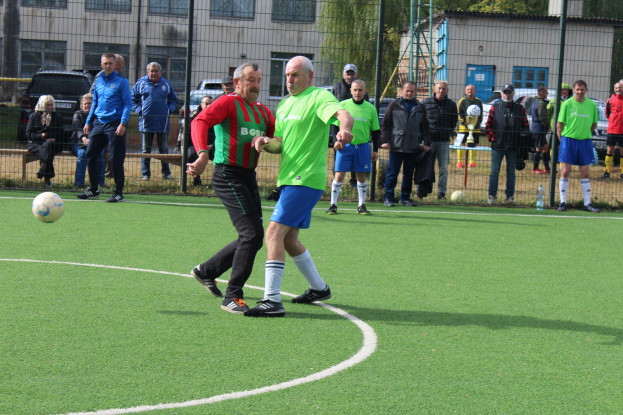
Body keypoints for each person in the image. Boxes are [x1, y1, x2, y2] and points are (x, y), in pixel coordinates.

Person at [245, 55, 354, 317]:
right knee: (289, 239)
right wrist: (264, 141)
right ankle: (319, 288)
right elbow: (280, 143)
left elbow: (342, 114)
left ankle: (272, 300)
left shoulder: (318, 97)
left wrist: (344, 129)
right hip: (289, 179)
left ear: (309, 76)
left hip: (305, 179)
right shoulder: (284, 105)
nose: (289, 80)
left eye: (295, 75)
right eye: (287, 75)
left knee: (273, 233)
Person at [187, 62, 275, 314]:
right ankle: (232, 295)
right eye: (250, 80)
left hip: (248, 176)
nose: (255, 85)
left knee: (253, 237)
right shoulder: (228, 102)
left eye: (258, 80)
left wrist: (267, 140)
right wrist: (203, 153)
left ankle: (207, 271)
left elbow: (277, 138)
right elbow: (199, 121)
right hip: (227, 174)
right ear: (237, 83)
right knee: (252, 234)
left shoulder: (263, 111)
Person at [77, 52, 132, 203]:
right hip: (99, 123)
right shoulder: (99, 80)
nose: (107, 66)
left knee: (115, 158)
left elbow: (128, 104)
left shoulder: (122, 82)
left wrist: (123, 123)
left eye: (110, 63)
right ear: (101, 65)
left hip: (115, 124)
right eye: (105, 63)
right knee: (90, 154)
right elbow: (94, 102)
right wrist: (88, 121)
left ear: (115, 65)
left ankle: (118, 192)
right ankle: (93, 189)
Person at [326, 79, 379, 215]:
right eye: (355, 90)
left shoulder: (371, 108)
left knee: (361, 176)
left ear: (365, 91)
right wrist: (336, 141)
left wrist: (376, 150)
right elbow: (334, 125)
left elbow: (375, 131)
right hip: (345, 145)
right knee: (339, 174)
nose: (357, 92)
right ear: (351, 91)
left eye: (360, 90)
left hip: (362, 146)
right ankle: (333, 205)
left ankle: (361, 205)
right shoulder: (343, 105)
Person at [380, 81, 431, 207]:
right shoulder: (394, 105)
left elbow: (425, 127)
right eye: (407, 91)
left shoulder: (420, 107)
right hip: (396, 146)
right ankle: (388, 198)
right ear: (402, 91)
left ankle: (405, 198)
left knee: (408, 175)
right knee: (392, 174)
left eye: (412, 91)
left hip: (413, 147)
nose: (409, 93)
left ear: (415, 92)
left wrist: (427, 143)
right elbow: (385, 124)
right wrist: (384, 141)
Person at [556, 80, 600, 213]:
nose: (579, 92)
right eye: (577, 89)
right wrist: (562, 140)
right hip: (568, 141)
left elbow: (594, 124)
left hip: (584, 141)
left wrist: (584, 133)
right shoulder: (567, 104)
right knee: (565, 171)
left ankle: (587, 203)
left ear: (586, 90)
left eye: (582, 89)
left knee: (585, 172)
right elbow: (559, 124)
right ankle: (563, 202)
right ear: (574, 90)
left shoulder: (591, 105)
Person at [132, 62, 179, 181]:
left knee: (164, 149)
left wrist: (169, 110)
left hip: (163, 123)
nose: (154, 73)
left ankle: (166, 174)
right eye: (151, 71)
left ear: (160, 72)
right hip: (146, 123)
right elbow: (132, 100)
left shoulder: (166, 84)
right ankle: (145, 175)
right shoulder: (140, 83)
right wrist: (139, 110)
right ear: (147, 72)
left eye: (156, 71)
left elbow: (174, 101)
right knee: (145, 150)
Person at [484, 84, 530, 204]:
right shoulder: (495, 108)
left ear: (513, 94)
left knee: (511, 173)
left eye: (509, 92)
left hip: (513, 147)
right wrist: (493, 139)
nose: (507, 94)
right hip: (497, 146)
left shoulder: (520, 109)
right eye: (505, 92)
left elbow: (525, 126)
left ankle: (510, 197)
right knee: (494, 172)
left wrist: (521, 140)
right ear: (501, 93)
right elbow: (488, 126)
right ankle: (492, 196)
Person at [330, 64, 368, 188]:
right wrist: (335, 139)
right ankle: (336, 182)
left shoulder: (361, 88)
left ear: (356, 75)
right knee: (339, 157)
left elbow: (366, 106)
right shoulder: (337, 87)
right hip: (339, 128)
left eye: (352, 74)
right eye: (348, 73)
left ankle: (354, 182)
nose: (350, 76)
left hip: (356, 129)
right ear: (343, 75)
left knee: (356, 158)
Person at [420, 80, 458, 199]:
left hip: (444, 141)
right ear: (435, 89)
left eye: (443, 89)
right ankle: (422, 190)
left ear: (447, 91)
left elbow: (453, 122)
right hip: (428, 142)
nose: (441, 91)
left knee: (443, 169)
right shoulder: (425, 103)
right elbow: (420, 120)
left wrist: (447, 132)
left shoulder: (452, 105)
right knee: (425, 166)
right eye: (439, 88)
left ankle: (441, 192)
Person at [25, 95, 64, 188]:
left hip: (53, 144)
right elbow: (29, 134)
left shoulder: (57, 117)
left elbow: (61, 133)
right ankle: (47, 180)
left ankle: (43, 168)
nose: (50, 107)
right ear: (42, 105)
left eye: (51, 105)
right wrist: (42, 136)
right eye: (47, 105)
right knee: (46, 152)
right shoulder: (33, 116)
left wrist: (49, 137)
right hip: (36, 144)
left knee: (48, 145)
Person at [70, 93, 105, 189]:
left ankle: (100, 184)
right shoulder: (77, 114)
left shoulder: (98, 115)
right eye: (85, 104)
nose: (87, 106)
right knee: (83, 154)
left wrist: (92, 141)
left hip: (96, 142)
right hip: (79, 143)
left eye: (90, 103)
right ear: (81, 105)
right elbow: (77, 129)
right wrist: (84, 138)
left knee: (100, 154)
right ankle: (79, 184)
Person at [185, 96, 214, 186]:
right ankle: (196, 179)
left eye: (210, 104)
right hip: (197, 147)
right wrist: (201, 148)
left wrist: (212, 145)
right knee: (189, 154)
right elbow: (188, 135)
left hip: (214, 146)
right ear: (201, 105)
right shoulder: (194, 117)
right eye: (206, 103)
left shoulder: (218, 116)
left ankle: (219, 180)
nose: (208, 105)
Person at [456, 85, 483, 168]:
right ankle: (459, 162)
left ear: (475, 91)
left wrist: (477, 123)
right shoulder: (462, 101)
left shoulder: (478, 101)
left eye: (471, 89)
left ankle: (472, 162)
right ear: (465, 91)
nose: (470, 91)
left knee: (473, 144)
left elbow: (481, 114)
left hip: (475, 128)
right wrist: (465, 122)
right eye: (468, 89)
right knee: (461, 143)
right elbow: (459, 113)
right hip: (463, 127)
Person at [602, 81, 623, 179]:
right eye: (617, 88)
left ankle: (622, 172)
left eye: (620, 87)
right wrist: (613, 120)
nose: (619, 89)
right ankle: (607, 171)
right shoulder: (610, 100)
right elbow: (607, 114)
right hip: (612, 129)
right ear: (614, 89)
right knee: (610, 150)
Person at [530, 85, 551, 174]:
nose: (547, 93)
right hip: (539, 129)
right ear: (541, 93)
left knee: (545, 148)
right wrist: (547, 125)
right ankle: (535, 168)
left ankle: (547, 168)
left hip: (537, 128)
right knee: (539, 148)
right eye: (546, 92)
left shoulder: (535, 102)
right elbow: (542, 117)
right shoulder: (541, 103)